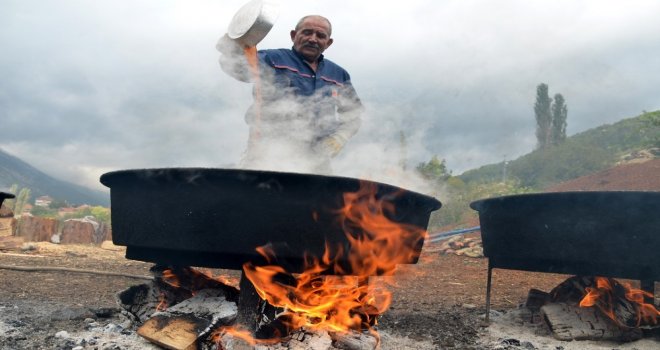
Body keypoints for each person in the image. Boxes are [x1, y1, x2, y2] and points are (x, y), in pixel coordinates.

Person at [217, 15, 363, 174]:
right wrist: (231, 43)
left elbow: (353, 114)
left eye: (320, 35)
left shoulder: (338, 75)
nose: (313, 39)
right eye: (307, 32)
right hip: (268, 154)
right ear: (294, 35)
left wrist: (339, 138)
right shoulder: (272, 59)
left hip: (317, 162)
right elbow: (238, 68)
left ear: (328, 43)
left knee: (318, 198)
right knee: (259, 197)